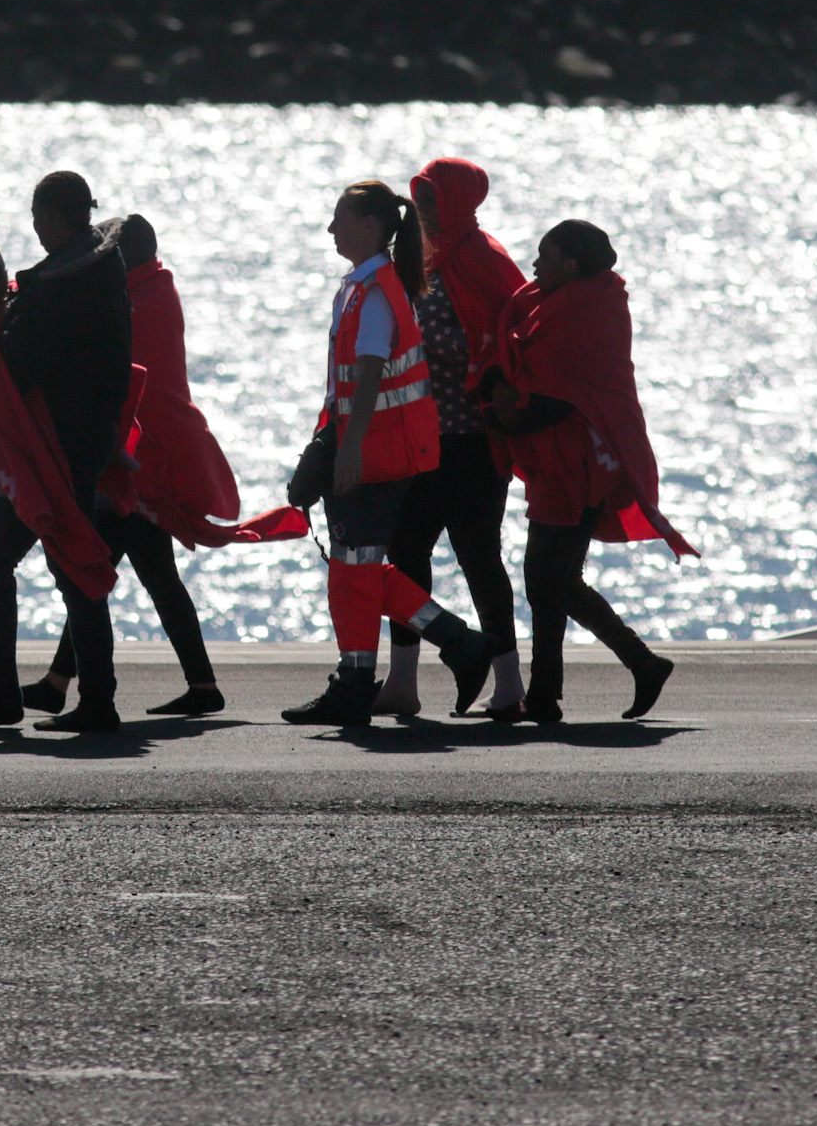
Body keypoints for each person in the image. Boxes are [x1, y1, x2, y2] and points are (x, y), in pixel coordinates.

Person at [31, 214, 303, 718]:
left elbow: (113, 369)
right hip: (150, 456)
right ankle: (190, 685)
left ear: (124, 257)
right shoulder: (154, 289)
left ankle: (70, 685)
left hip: (144, 460)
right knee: (142, 573)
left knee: (94, 572)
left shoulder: (139, 302)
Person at [284, 180, 497, 729]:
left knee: (353, 571)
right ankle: (449, 645)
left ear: (370, 227)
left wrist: (348, 453)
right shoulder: (365, 285)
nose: (331, 229)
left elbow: (372, 374)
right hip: (370, 448)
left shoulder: (375, 290)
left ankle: (360, 682)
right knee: (356, 571)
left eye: (340, 219)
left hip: (374, 455)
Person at [486, 219, 696, 725]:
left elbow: (557, 396)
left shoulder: (590, 311)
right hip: (562, 462)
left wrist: (494, 415)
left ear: (572, 264)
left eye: (546, 255)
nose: (534, 265)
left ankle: (622, 668)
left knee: (548, 577)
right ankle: (556, 690)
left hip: (581, 465)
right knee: (549, 578)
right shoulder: (554, 302)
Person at [0, 172, 134, 734]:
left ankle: (59, 698)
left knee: (19, 558)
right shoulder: (103, 269)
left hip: (50, 448)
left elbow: (17, 366)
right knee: (68, 563)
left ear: (53, 217)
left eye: (37, 215)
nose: (34, 225)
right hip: (85, 442)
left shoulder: (61, 286)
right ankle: (86, 695)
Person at [378, 158, 530, 720]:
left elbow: (512, 336)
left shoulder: (483, 257)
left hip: (470, 439)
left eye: (434, 197)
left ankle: (510, 684)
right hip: (419, 437)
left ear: (461, 200)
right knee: (405, 553)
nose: (424, 207)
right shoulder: (421, 255)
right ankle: (402, 681)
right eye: (420, 195)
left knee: (478, 557)